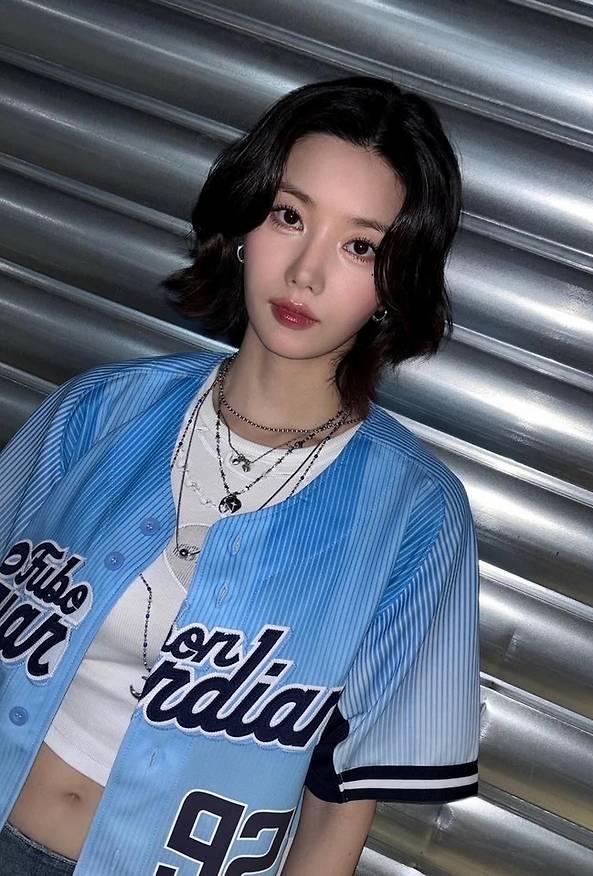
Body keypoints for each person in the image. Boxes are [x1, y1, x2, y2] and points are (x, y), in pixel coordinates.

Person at [0, 75, 480, 876]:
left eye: (360, 246)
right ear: (245, 224)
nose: (306, 273)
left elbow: (338, 805)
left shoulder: (415, 516)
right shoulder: (98, 410)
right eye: (290, 216)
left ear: (395, 282)